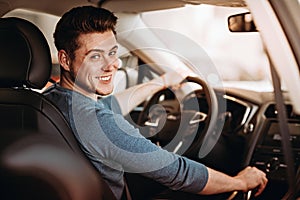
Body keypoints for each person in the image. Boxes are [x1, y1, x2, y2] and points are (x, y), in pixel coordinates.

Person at [44, 6, 268, 200]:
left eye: (112, 52)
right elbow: (179, 173)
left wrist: (161, 82)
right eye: (95, 56)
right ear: (64, 59)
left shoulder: (49, 99)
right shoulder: (101, 124)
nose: (111, 65)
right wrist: (240, 182)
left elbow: (106, 107)